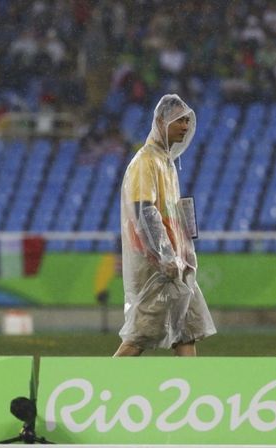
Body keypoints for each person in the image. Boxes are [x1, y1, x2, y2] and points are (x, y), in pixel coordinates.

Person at [114, 94, 216, 357]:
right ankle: (99, 384)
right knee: (139, 337)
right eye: (179, 120)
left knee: (187, 330)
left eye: (187, 121)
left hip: (176, 265)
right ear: (161, 122)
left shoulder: (166, 163)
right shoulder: (145, 162)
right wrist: (165, 256)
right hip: (156, 267)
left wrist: (182, 253)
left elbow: (170, 213)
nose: (186, 126)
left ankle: (191, 390)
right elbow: (144, 211)